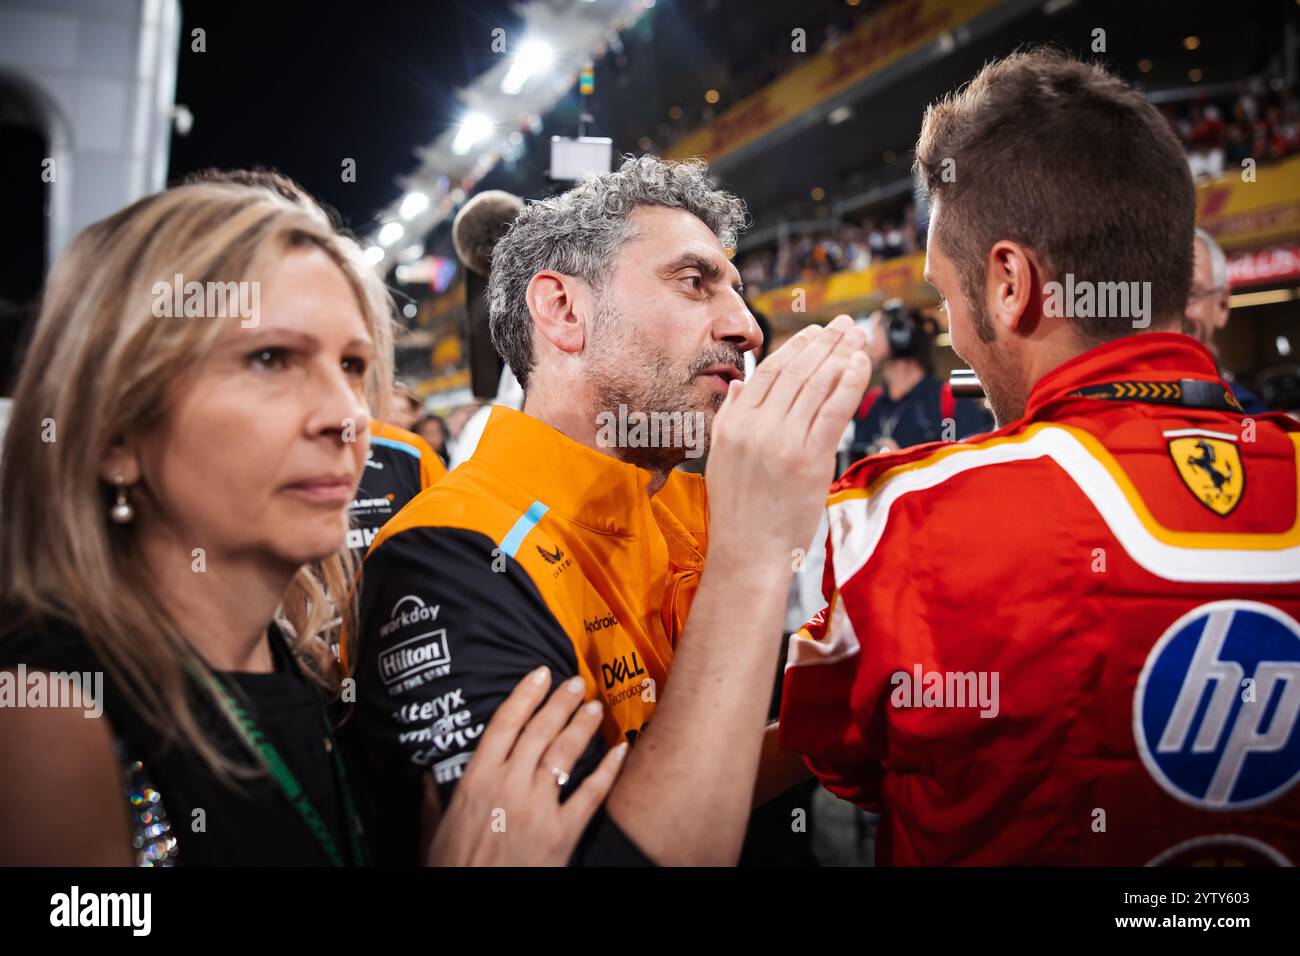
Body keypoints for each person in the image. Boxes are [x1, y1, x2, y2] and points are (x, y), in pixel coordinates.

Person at [0, 176, 623, 866]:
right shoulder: (45, 714)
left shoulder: (298, 666)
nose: (348, 415)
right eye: (271, 359)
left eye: (353, 365)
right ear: (115, 431)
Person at [779, 50, 1300, 866]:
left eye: (947, 295)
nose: (952, 330)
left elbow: (839, 757)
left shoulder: (901, 523)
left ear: (1009, 284)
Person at [347, 155, 868, 866]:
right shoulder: (449, 554)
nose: (747, 327)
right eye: (695, 282)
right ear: (563, 310)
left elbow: (704, 769)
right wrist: (752, 557)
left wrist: (867, 710)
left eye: (738, 291)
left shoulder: (697, 502)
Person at [851, 299, 992, 457]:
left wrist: (903, 466)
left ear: (898, 335)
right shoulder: (869, 405)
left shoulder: (949, 402)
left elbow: (968, 467)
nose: (868, 341)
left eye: (875, 330)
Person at [1183, 227, 1267, 413]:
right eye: (1159, 294)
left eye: (1189, 293)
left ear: (1222, 305)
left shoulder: (1251, 419)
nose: (1171, 310)